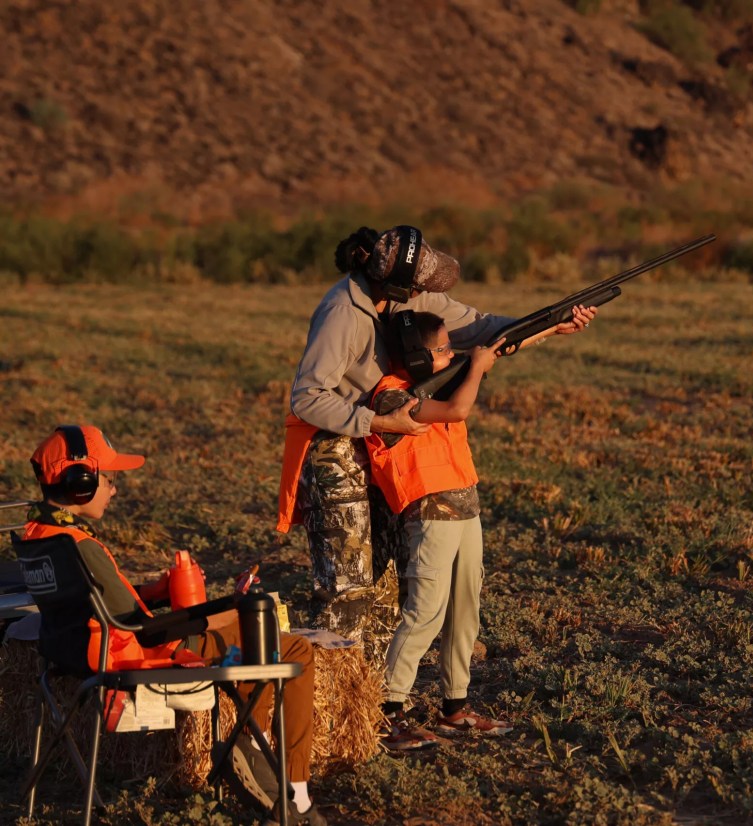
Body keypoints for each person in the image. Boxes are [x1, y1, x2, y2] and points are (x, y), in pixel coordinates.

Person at [276, 226, 594, 656]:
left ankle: (383, 701)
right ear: (396, 285)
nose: (431, 293)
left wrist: (551, 324)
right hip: (337, 445)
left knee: (387, 582)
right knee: (348, 588)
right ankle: (338, 706)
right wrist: (375, 421)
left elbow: (481, 329)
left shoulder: (415, 296)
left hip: (388, 443)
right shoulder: (341, 314)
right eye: (423, 286)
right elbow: (307, 396)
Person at [26, 425, 325, 826]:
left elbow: (102, 603)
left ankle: (252, 745)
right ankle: (287, 785)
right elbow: (143, 630)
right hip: (135, 654)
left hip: (76, 654)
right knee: (289, 647)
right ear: (80, 482)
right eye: (109, 480)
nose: (114, 490)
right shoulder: (82, 545)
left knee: (246, 630)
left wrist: (158, 591)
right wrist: (219, 613)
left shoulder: (40, 536)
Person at [366, 311, 518, 750]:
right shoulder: (390, 399)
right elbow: (458, 409)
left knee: (464, 610)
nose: (453, 354)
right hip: (430, 514)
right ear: (417, 356)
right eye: (444, 350)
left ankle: (454, 707)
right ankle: (386, 711)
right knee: (426, 613)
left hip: (465, 507)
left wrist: (554, 327)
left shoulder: (442, 379)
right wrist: (473, 368)